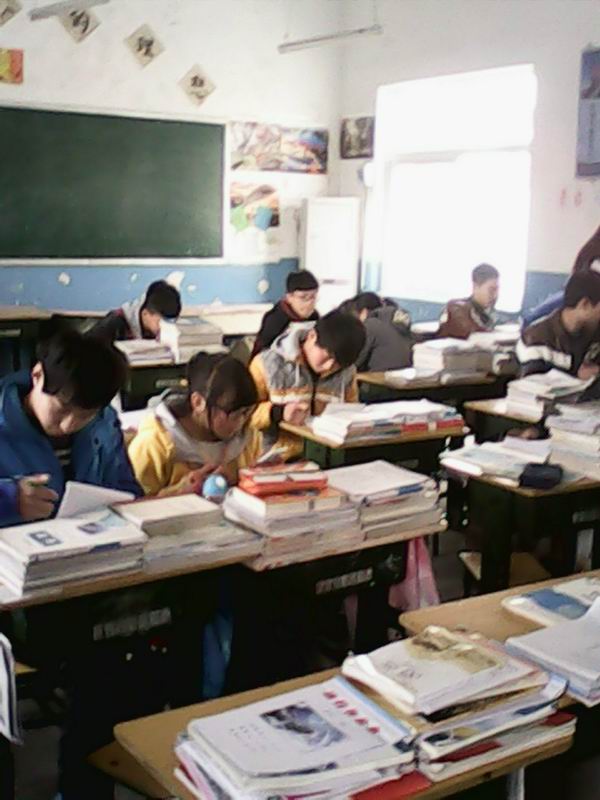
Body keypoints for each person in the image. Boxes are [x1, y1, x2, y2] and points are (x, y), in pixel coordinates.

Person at [0, 330, 141, 526]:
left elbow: (125, 491)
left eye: (85, 415)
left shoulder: (104, 423)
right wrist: (7, 501)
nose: (68, 425)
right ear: (38, 375)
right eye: (62, 409)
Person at [128, 352, 260, 496]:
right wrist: (179, 492)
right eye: (234, 414)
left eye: (247, 412)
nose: (242, 421)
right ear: (198, 402)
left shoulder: (247, 439)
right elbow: (134, 502)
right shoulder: (155, 443)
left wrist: (243, 479)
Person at [249, 310, 366, 459]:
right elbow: (244, 416)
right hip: (277, 459)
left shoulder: (347, 372)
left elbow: (351, 412)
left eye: (339, 364)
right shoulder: (267, 364)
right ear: (312, 336)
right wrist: (278, 413)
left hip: (328, 458)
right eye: (328, 356)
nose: (329, 366)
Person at [517, 271, 600, 377]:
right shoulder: (535, 338)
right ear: (585, 304)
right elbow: (532, 383)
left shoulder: (594, 331)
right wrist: (577, 377)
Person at [251, 271, 319, 358]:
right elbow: (260, 353)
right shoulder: (274, 319)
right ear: (289, 297)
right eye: (303, 297)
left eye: (313, 297)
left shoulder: (315, 317)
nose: (309, 303)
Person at [340, 291, 413, 372]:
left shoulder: (370, 325)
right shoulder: (397, 325)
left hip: (377, 377)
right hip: (399, 376)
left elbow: (355, 361)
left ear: (364, 312)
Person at [91, 279, 182, 342]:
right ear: (145, 314)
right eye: (160, 322)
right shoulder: (114, 325)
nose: (163, 328)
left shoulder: (153, 331)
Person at [438, 263, 499, 339]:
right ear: (475, 286)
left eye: (497, 290)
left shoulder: (491, 314)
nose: (495, 295)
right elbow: (474, 335)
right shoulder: (456, 309)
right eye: (491, 290)